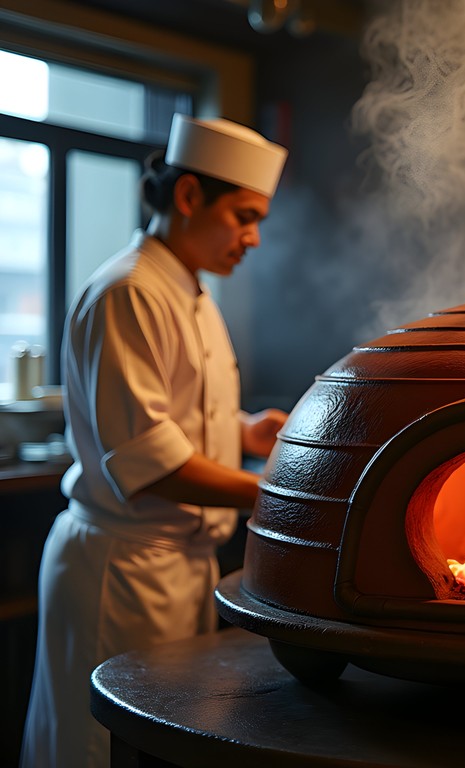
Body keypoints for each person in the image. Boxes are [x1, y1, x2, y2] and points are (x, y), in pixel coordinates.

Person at [20, 114, 290, 768]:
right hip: (124, 568)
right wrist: (276, 493)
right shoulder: (131, 291)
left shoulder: (191, 293)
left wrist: (244, 430)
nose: (253, 239)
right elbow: (148, 458)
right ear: (190, 197)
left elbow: (172, 417)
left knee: (155, 744)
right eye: (244, 216)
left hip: (177, 566)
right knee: (100, 750)